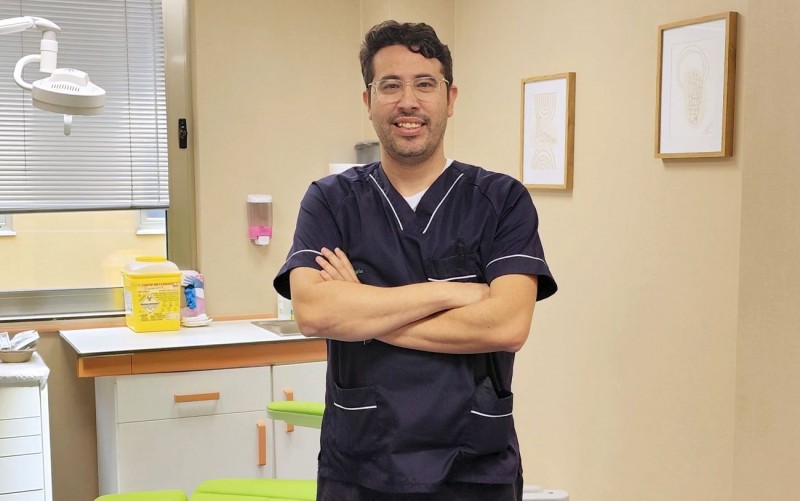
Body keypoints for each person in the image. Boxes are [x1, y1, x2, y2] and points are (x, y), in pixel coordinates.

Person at [273, 20, 557, 501]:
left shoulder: (502, 200)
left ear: (450, 98)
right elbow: (315, 313)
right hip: (361, 466)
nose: (408, 101)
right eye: (390, 86)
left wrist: (363, 312)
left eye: (425, 84)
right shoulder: (330, 201)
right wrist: (449, 293)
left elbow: (508, 324)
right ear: (368, 101)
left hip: (474, 466)